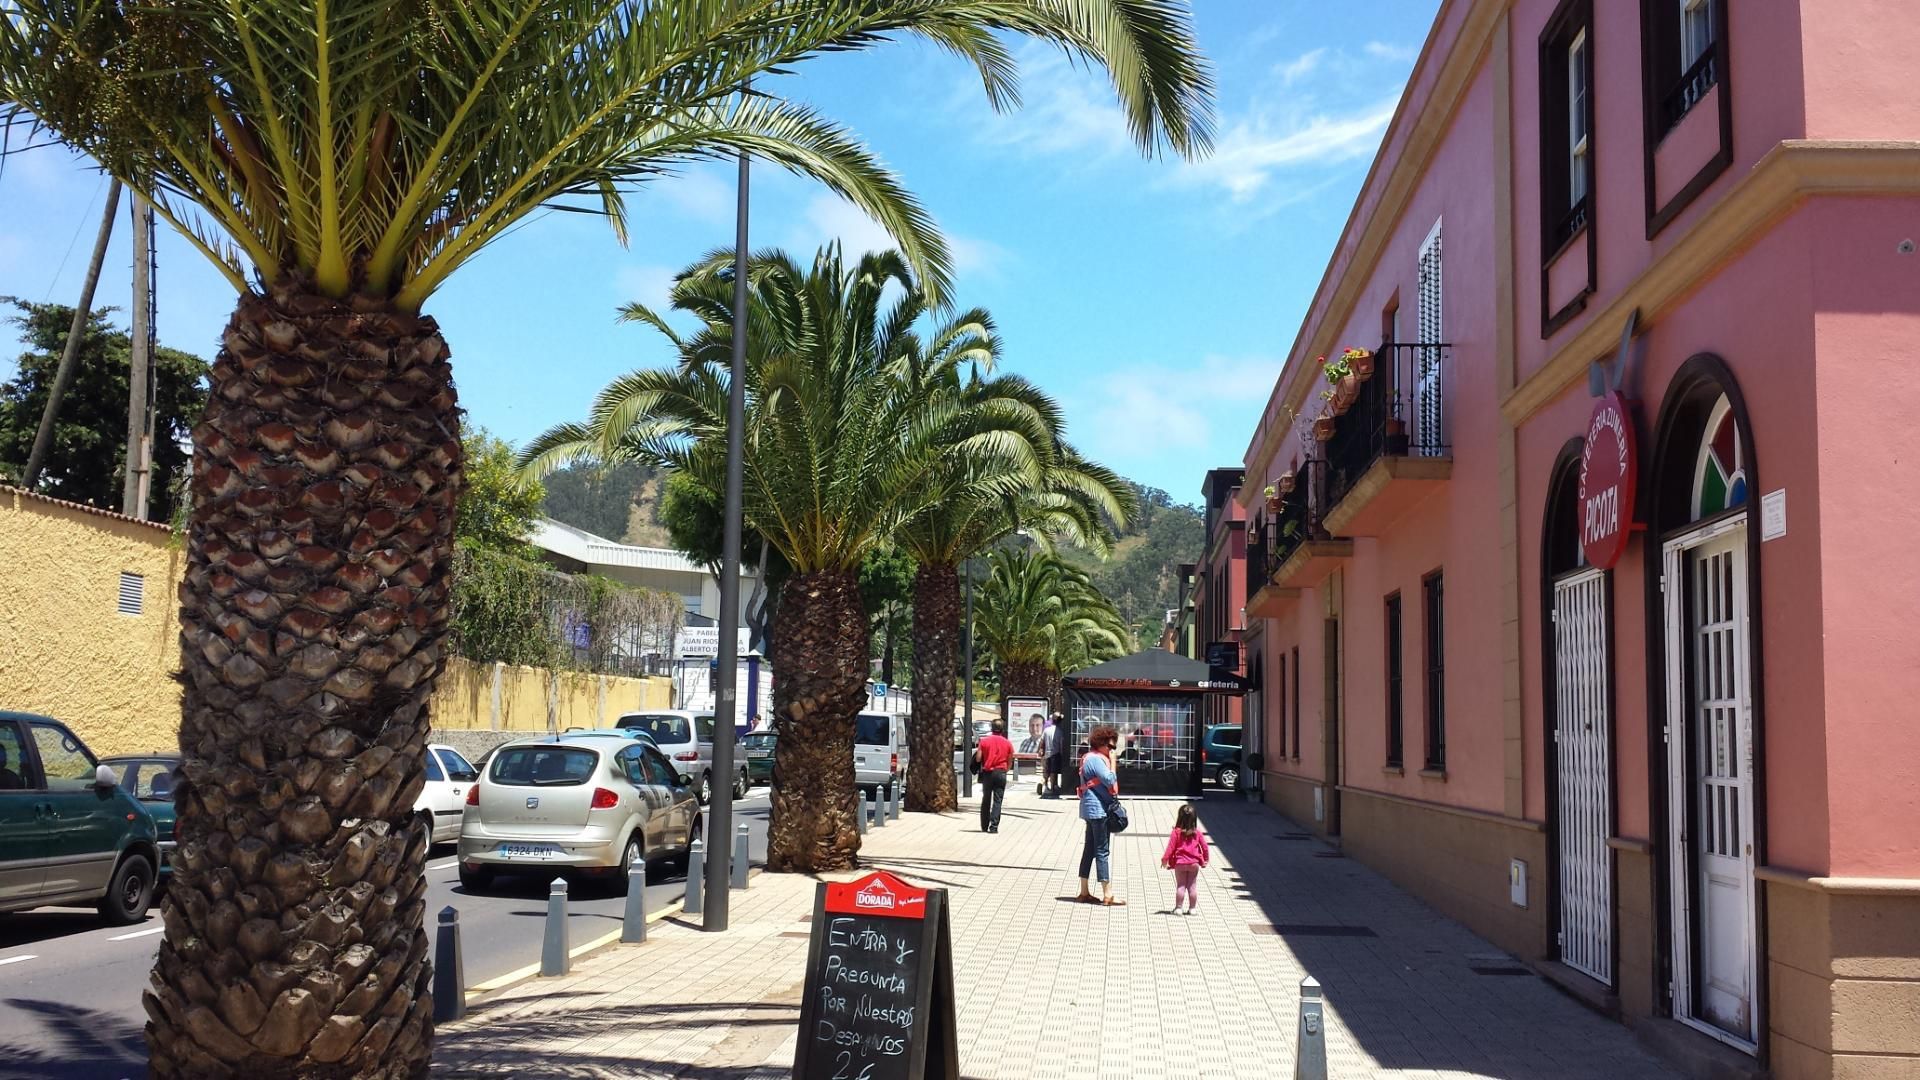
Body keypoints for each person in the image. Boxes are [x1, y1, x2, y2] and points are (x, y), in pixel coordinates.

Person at [1074, 725, 1124, 906]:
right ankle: (1107, 894)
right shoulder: (1096, 759)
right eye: (1110, 747)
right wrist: (1113, 763)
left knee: (1089, 850)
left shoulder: (1088, 758)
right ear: (1100, 744)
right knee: (1102, 851)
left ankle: (1084, 892)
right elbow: (1110, 780)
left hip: (1089, 809)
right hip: (1098, 810)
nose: (1112, 751)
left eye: (1113, 748)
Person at [1161, 802, 1211, 914]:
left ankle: (1179, 908)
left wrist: (1165, 860)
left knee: (1181, 886)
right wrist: (1206, 860)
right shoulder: (1197, 833)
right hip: (1194, 863)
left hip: (1180, 863)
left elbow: (1170, 848)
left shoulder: (1176, 833)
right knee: (1192, 886)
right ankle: (1192, 909)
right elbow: (1205, 847)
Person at [973, 720, 1013, 833]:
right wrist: (1006, 769)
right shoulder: (1007, 743)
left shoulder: (984, 741)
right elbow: (1010, 760)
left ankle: (984, 826)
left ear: (991, 728)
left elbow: (978, 758)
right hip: (1001, 772)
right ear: (1002, 729)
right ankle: (994, 826)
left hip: (988, 773)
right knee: (998, 800)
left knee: (986, 799)